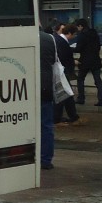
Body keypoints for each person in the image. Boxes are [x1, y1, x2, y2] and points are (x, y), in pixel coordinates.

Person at [53, 24, 82, 125]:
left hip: (61, 71)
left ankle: (71, 116)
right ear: (69, 33)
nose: (74, 37)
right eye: (73, 34)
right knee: (65, 94)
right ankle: (64, 117)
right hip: (62, 72)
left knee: (66, 93)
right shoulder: (61, 42)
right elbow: (63, 58)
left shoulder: (59, 40)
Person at [73, 17, 102, 107]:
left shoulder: (82, 35)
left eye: (78, 27)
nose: (78, 29)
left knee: (80, 79)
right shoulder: (94, 33)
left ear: (81, 26)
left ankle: (81, 98)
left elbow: (78, 48)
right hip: (95, 60)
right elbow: (98, 46)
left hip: (85, 61)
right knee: (98, 81)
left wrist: (71, 49)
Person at [39, 28, 56, 170]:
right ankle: (46, 159)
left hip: (25, 87)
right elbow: (54, 61)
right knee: (46, 125)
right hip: (46, 85)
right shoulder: (49, 39)